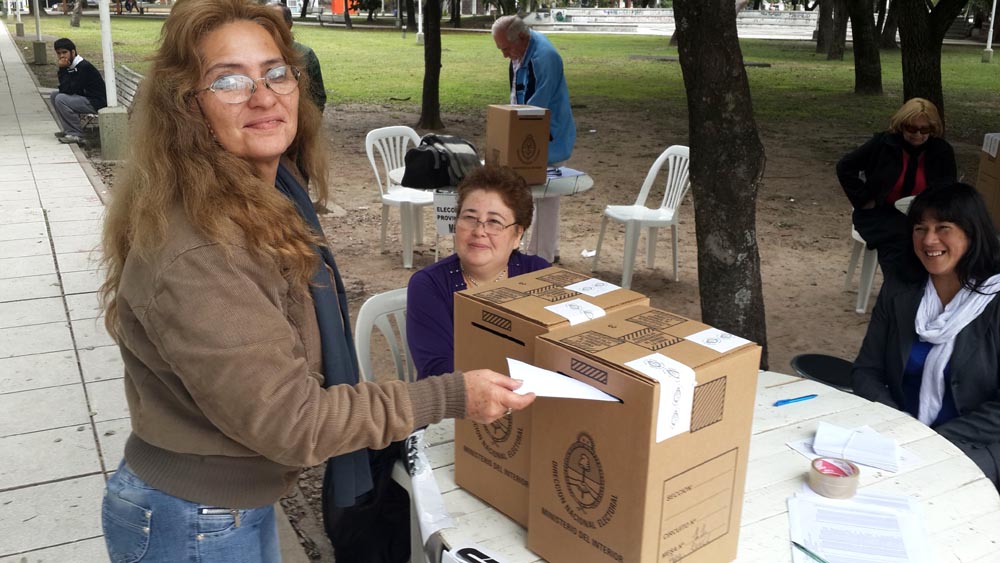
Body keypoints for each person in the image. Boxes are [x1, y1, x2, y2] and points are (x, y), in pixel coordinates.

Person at [97, 1, 534, 561]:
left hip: (233, 500)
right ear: (187, 106)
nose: (263, 96)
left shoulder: (271, 195)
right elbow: (294, 420)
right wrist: (453, 394)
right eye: (228, 80)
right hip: (193, 522)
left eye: (275, 72)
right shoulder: (201, 251)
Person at [852, 182, 1000, 488]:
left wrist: (931, 441)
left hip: (975, 446)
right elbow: (866, 370)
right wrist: (897, 425)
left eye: (943, 227)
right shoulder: (901, 290)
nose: (929, 240)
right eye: (920, 229)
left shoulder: (994, 301)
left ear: (972, 233)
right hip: (897, 438)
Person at [408, 166, 550, 379]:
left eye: (494, 222)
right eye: (469, 218)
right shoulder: (429, 285)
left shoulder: (537, 274)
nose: (479, 231)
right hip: (458, 397)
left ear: (517, 235)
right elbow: (437, 369)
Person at [837, 97, 957, 287]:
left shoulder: (941, 151)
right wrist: (864, 199)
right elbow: (845, 167)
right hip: (880, 213)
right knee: (901, 243)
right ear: (901, 125)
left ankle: (923, 291)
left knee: (941, 242)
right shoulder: (883, 144)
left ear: (932, 129)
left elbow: (948, 189)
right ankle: (900, 290)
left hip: (923, 216)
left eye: (924, 130)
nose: (917, 134)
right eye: (911, 128)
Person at [491, 15, 576, 264]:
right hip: (534, 133)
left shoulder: (544, 58)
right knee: (543, 197)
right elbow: (517, 95)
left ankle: (541, 257)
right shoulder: (522, 52)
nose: (505, 55)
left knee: (546, 196)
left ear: (521, 37)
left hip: (548, 136)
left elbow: (535, 108)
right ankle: (549, 249)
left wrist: (511, 135)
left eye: (506, 48)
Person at [271, 3, 326, 112]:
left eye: (276, 21)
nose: (270, 25)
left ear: (289, 25)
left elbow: (318, 98)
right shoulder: (253, 54)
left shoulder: (305, 54)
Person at [50, 38, 107, 145]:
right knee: (54, 95)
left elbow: (68, 90)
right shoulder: (72, 65)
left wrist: (62, 69)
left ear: (73, 52)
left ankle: (75, 134)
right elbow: (65, 88)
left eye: (64, 52)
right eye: (59, 53)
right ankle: (68, 130)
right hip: (85, 97)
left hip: (96, 102)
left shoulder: (82, 66)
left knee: (60, 99)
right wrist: (64, 69)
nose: (62, 56)